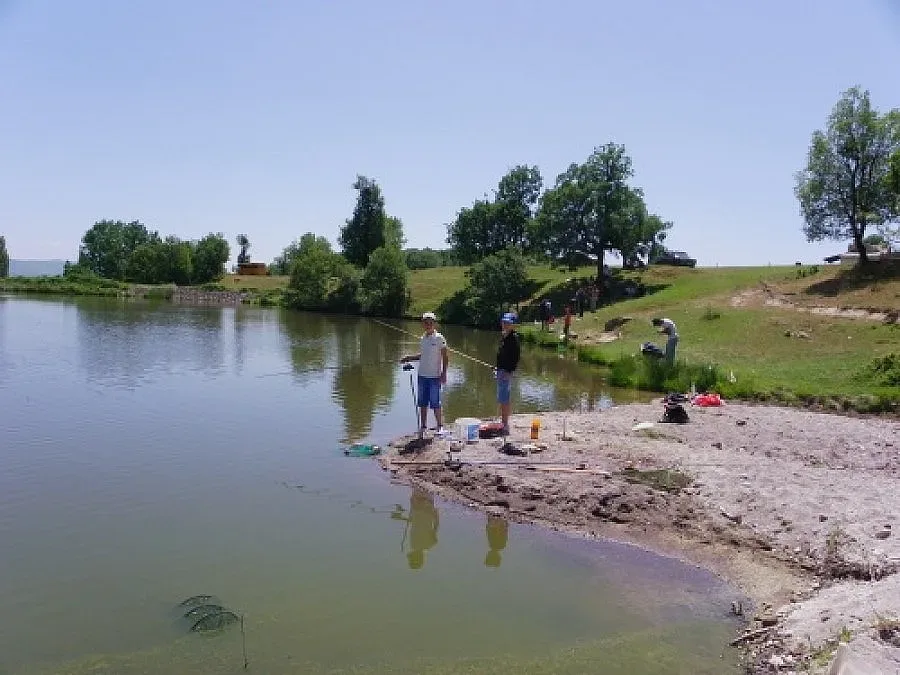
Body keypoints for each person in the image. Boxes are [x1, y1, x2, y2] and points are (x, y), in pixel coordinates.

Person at [400, 312, 449, 437]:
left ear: (434, 324)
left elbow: (445, 357)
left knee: (435, 402)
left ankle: (440, 427)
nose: (428, 325)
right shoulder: (423, 338)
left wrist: (444, 374)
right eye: (425, 323)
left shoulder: (439, 338)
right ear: (423, 324)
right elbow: (423, 355)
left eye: (430, 323)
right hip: (422, 375)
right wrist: (409, 358)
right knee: (422, 402)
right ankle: (423, 426)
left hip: (434, 377)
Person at [495, 312, 521, 435]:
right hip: (501, 371)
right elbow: (501, 356)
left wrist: (509, 371)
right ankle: (502, 421)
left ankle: (505, 425)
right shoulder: (504, 337)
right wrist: (497, 368)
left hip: (506, 372)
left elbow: (515, 358)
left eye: (508, 323)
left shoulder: (513, 338)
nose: (505, 324)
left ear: (513, 325)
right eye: (504, 322)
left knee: (505, 399)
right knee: (501, 397)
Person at [402, 489, 439, 570]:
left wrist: (434, 530)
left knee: (423, 485)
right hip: (421, 504)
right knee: (422, 485)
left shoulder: (427, 545)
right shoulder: (416, 544)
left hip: (422, 504)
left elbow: (434, 540)